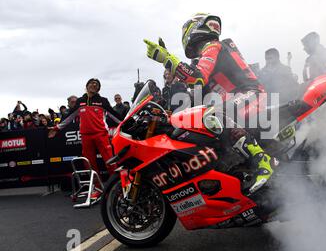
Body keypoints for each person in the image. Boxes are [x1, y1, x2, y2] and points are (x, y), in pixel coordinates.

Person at [144, 13, 274, 194]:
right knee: (204, 119)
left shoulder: (213, 46)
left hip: (251, 93)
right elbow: (195, 93)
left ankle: (263, 161)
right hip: (239, 99)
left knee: (217, 115)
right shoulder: (209, 53)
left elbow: (197, 78)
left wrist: (168, 59)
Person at [48, 78, 122, 199]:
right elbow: (69, 116)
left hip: (101, 135)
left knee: (110, 161)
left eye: (96, 84)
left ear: (98, 89)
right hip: (86, 136)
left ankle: (118, 187)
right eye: (91, 83)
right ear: (86, 86)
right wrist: (56, 128)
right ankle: (97, 188)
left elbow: (115, 115)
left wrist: (128, 123)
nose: (94, 85)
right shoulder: (80, 101)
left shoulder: (103, 101)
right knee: (89, 164)